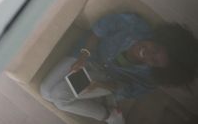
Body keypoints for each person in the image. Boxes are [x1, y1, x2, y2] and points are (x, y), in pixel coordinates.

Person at [40, 13, 198, 124]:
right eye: (155, 49)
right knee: (45, 92)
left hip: (104, 78)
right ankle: (102, 101)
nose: (147, 54)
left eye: (154, 61)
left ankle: (110, 115)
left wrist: (100, 85)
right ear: (160, 39)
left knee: (59, 97)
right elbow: (98, 31)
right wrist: (83, 58)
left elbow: (128, 89)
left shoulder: (151, 78)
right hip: (87, 56)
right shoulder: (132, 24)